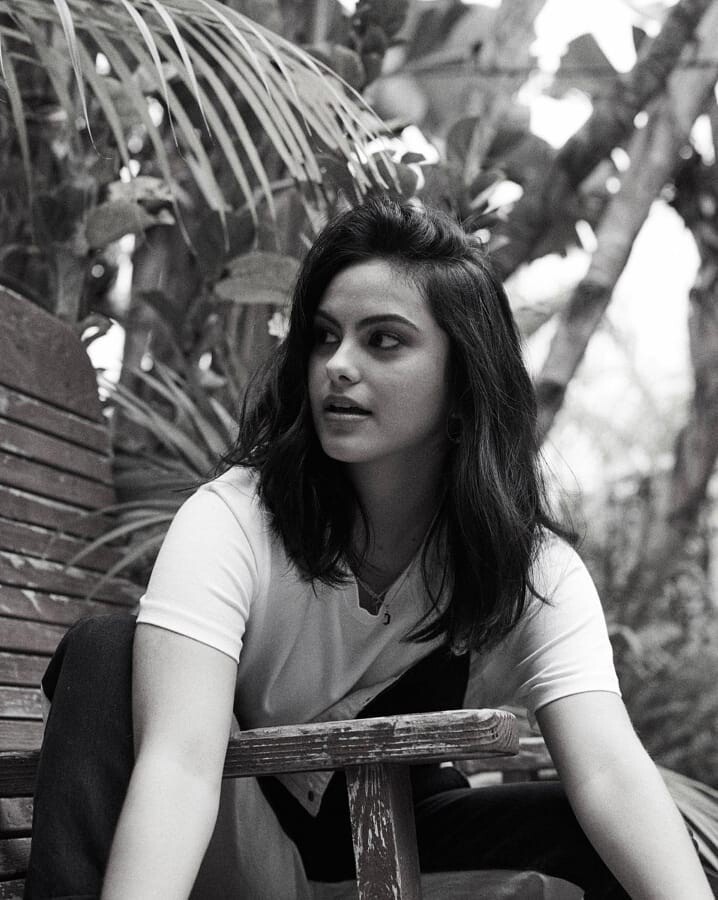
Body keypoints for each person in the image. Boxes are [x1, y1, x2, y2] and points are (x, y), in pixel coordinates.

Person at [26, 196, 711, 899]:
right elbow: (180, 766)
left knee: (615, 837)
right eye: (325, 337)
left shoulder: (528, 564)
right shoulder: (233, 520)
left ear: (463, 380)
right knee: (109, 652)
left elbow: (608, 771)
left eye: (384, 340)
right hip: (243, 837)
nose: (338, 365)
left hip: (403, 829)